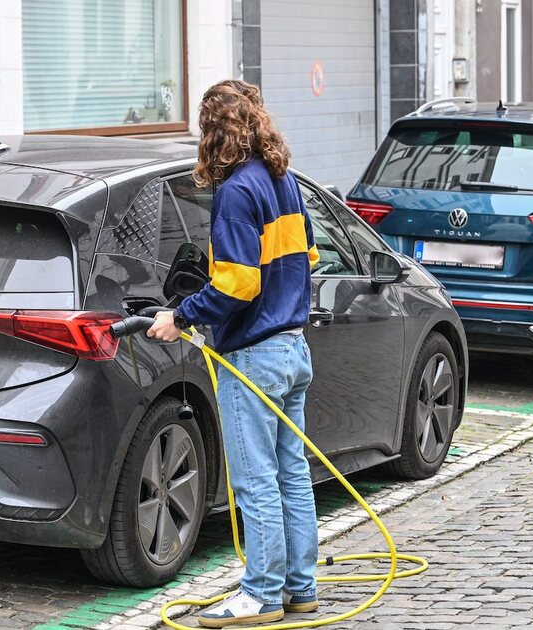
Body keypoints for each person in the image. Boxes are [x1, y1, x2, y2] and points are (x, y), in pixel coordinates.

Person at [147, 79, 319, 628]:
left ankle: (260, 596)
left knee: (255, 481)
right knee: (291, 475)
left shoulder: (237, 191)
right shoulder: (284, 181)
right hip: (293, 349)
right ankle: (300, 589)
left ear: (212, 130)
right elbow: (307, 257)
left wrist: (182, 316)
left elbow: (239, 284)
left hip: (254, 357)